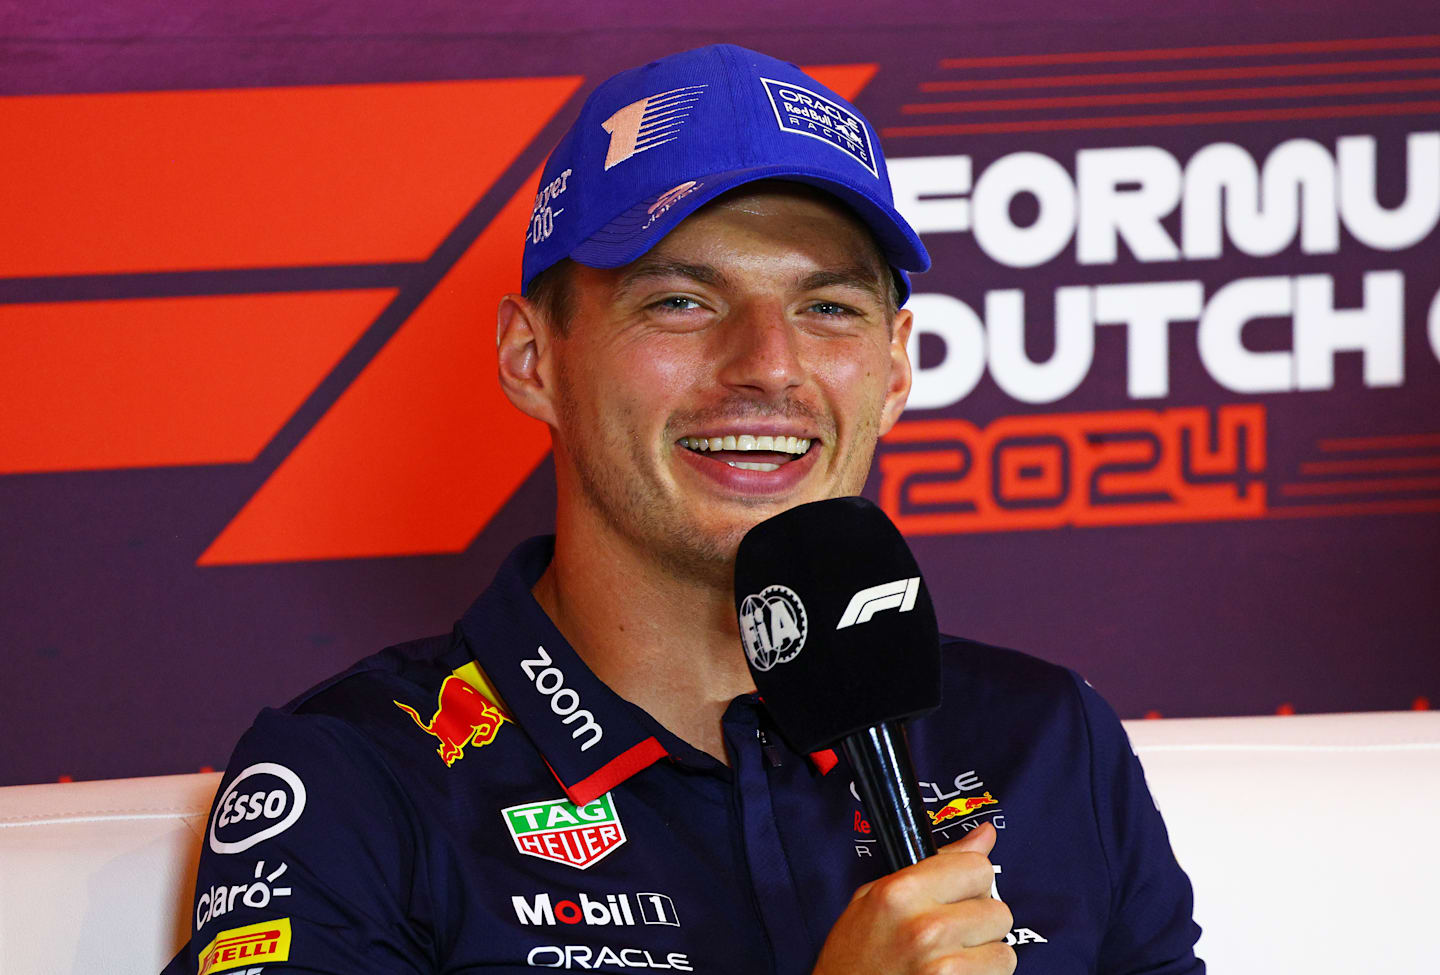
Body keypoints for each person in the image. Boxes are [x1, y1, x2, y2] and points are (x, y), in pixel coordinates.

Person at [164, 44, 1202, 975]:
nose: (767, 366)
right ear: (533, 360)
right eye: (680, 301)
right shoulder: (358, 779)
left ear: (894, 373)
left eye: (827, 308)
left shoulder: (1042, 738)